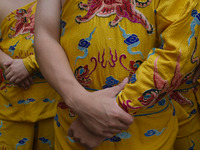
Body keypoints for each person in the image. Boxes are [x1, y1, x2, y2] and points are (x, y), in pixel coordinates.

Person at [35, 0, 200, 149]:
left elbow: (178, 51)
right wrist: (78, 100)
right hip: (74, 121)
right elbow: (45, 35)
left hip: (146, 125)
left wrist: (119, 108)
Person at [0, 0, 60, 149]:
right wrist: (6, 62)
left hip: (54, 100)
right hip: (11, 99)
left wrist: (30, 64)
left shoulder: (58, 3)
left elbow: (72, 40)